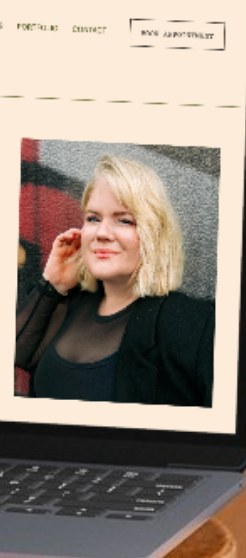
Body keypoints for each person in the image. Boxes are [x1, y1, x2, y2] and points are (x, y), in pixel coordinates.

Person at [15, 153, 214, 406]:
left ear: (154, 232)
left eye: (124, 220)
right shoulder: (68, 304)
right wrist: (54, 284)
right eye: (93, 218)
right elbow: (19, 354)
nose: (102, 233)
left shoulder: (193, 323)